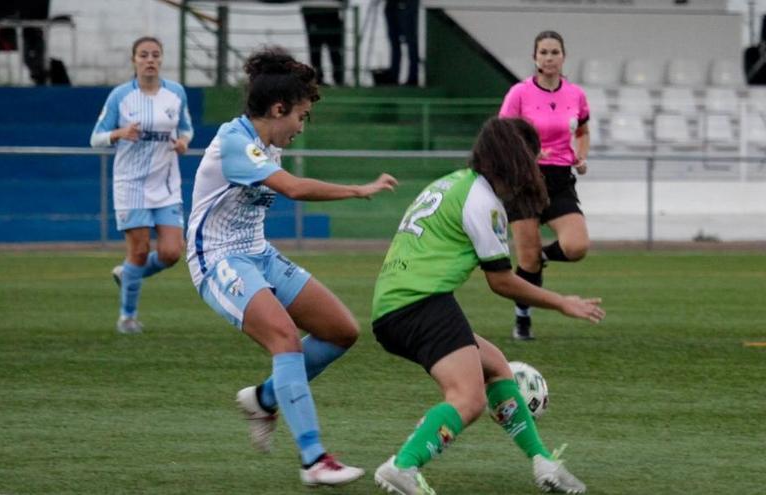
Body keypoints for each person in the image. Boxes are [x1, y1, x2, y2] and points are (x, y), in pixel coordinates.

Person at [185, 47, 397, 487]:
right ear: (278, 109)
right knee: (285, 339)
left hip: (257, 253)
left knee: (341, 330)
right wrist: (357, 191)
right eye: (300, 116)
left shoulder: (264, 143)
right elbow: (295, 189)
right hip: (217, 260)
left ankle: (264, 398)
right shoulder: (235, 142)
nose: (302, 126)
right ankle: (313, 458)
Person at [371, 117, 603, 495]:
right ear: (516, 159)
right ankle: (402, 466)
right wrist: (562, 303)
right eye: (534, 159)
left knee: (495, 366)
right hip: (418, 302)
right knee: (468, 399)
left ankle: (543, 462)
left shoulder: (456, 183)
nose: (536, 169)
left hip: (399, 302)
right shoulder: (483, 201)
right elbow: (501, 281)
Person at [90, 36, 194, 334]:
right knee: (139, 250)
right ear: (134, 60)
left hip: (166, 184)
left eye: (155, 55)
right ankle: (127, 317)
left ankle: (128, 274)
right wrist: (119, 132)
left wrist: (184, 142)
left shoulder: (175, 93)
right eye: (144, 55)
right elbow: (95, 138)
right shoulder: (120, 96)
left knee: (172, 252)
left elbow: (186, 128)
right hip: (131, 185)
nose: (150, 60)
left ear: (161, 60)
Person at [498, 30, 591, 340]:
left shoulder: (575, 94)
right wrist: (531, 152)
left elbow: (583, 131)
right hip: (525, 179)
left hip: (560, 180)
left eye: (554, 52)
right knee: (526, 261)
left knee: (577, 246)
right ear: (534, 57)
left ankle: (544, 255)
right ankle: (522, 316)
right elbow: (503, 136)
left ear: (564, 57)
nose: (549, 58)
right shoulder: (519, 94)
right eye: (543, 52)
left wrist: (581, 156)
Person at [301, 1, 345, 86]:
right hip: (319, 18)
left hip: (328, 19)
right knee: (318, 53)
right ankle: (323, 79)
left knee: (333, 52)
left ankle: (337, 79)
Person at [385, 0, 419, 86]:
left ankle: (412, 77)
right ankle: (394, 75)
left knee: (410, 40)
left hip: (407, 3)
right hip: (392, 4)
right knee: (395, 41)